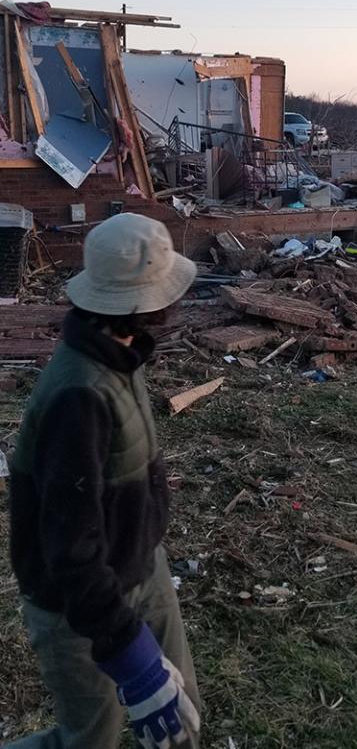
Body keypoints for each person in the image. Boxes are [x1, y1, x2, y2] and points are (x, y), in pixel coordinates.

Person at [7, 213, 201, 749]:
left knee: (182, 722)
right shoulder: (79, 397)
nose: (177, 298)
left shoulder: (119, 351)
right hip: (78, 604)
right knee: (91, 740)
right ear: (139, 302)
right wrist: (128, 654)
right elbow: (69, 550)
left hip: (140, 570)